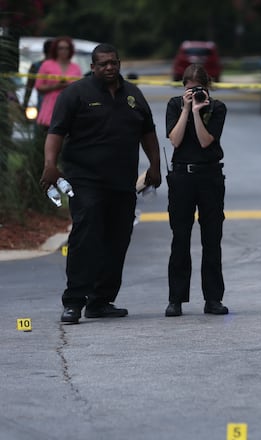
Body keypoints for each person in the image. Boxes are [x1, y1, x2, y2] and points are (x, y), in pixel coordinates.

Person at [40, 43, 162, 324]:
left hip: (122, 181)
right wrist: (50, 165)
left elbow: (148, 133)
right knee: (86, 235)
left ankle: (101, 300)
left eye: (114, 63)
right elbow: (56, 132)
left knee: (118, 239)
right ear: (93, 67)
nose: (110, 68)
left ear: (119, 63)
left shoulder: (133, 94)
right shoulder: (75, 94)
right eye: (103, 64)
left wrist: (154, 166)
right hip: (85, 180)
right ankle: (74, 301)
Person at [164, 64, 228, 317]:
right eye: (189, 91)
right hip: (182, 176)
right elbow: (175, 140)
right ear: (183, 89)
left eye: (198, 90)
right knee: (180, 238)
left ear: (208, 87)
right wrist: (186, 109)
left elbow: (204, 141)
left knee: (212, 239)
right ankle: (175, 299)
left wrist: (199, 113)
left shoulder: (217, 107)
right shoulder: (174, 105)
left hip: (210, 176)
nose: (194, 94)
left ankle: (213, 298)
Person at [34, 36, 82, 129]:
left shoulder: (76, 68)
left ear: (70, 50)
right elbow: (39, 87)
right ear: (55, 50)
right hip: (50, 108)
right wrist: (56, 86)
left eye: (66, 48)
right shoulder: (46, 65)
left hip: (70, 108)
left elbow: (80, 89)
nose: (64, 51)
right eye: (60, 48)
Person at [22, 38, 53, 112]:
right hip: (43, 105)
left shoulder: (62, 67)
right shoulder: (36, 66)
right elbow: (29, 87)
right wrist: (25, 104)